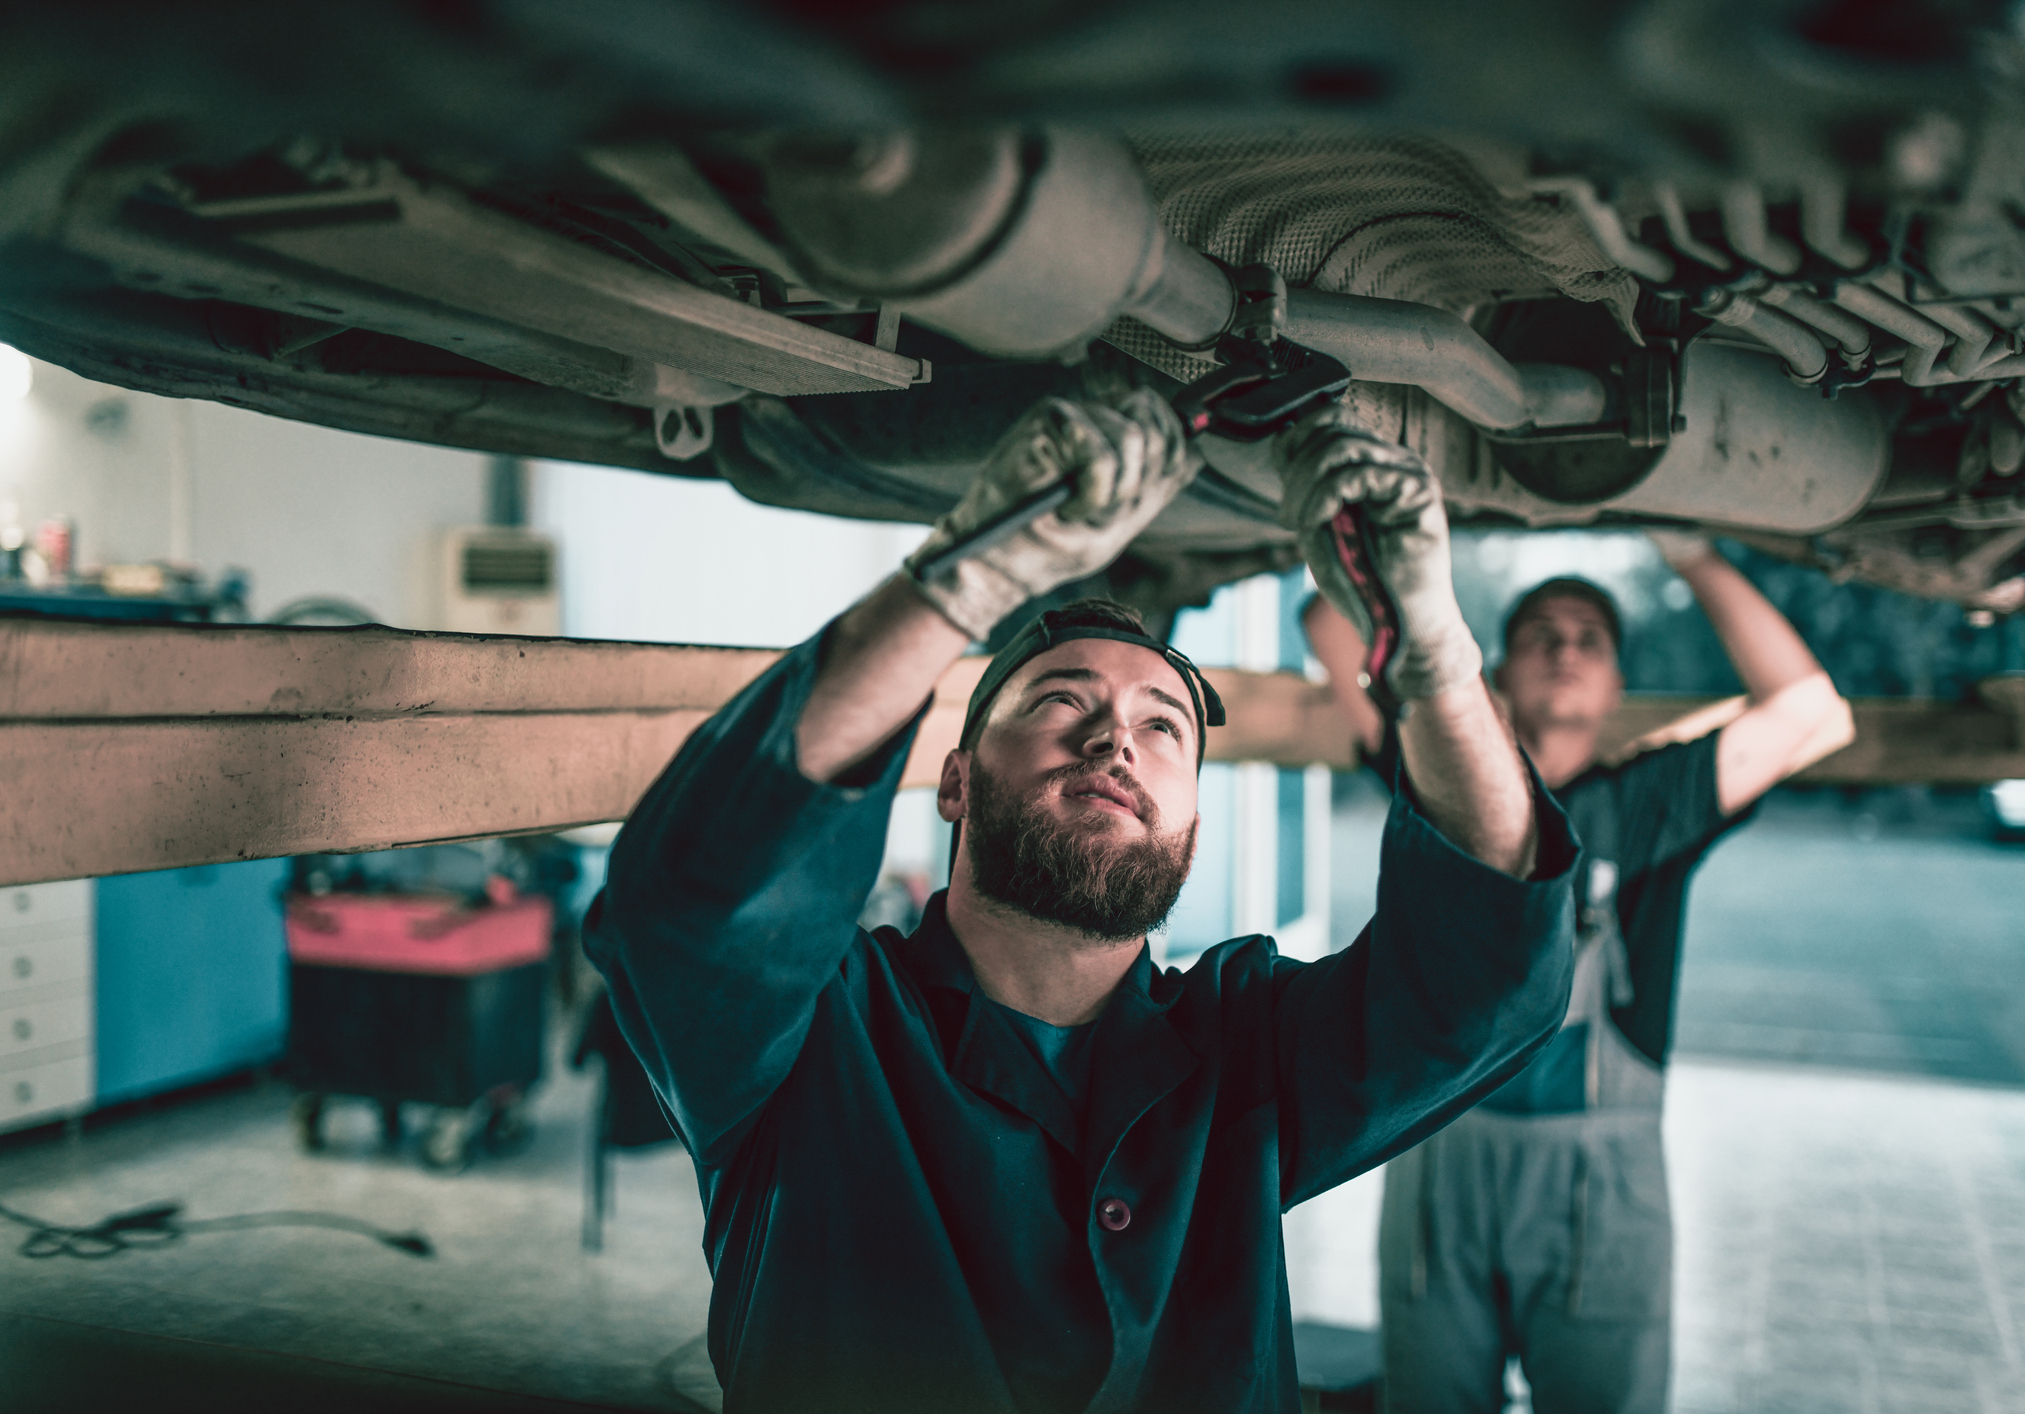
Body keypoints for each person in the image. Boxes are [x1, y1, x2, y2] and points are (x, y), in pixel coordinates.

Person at [586, 389, 1584, 1414]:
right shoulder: (817, 1036)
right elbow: (691, 904)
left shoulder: (1243, 1052)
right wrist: (963, 577)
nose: (1115, 740)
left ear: (1192, 822)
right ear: (958, 780)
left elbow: (1490, 977)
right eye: (1063, 700)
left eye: (1164, 729)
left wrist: (1435, 660)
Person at [1305, 533, 1855, 1414]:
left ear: (1614, 688)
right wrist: (1441, 533)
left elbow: (1813, 712)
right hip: (1440, 1164)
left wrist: (1690, 549)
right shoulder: (1439, 770)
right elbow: (1325, 626)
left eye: (1589, 638)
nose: (1564, 650)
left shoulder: (1650, 800)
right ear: (1496, 672)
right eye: (1539, 635)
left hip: (1599, 1185)